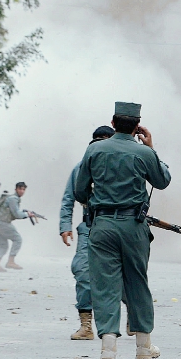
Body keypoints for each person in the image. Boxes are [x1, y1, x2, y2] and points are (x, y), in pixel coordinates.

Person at [73, 102, 171, 359]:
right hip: (134, 226)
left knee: (105, 285)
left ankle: (108, 351)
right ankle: (143, 348)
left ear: (113, 123)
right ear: (137, 126)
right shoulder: (143, 153)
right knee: (138, 282)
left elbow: (80, 190)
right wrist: (151, 147)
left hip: (102, 225)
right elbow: (162, 181)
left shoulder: (94, 149)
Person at [60, 126, 115, 340]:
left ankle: (135, 319)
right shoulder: (82, 167)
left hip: (116, 225)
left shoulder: (123, 165)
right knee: (82, 270)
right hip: (90, 225)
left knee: (123, 274)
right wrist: (65, 225)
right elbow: (69, 198)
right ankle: (86, 325)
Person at [0, 182, 30, 272]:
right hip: (2, 223)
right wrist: (27, 214)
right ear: (16, 189)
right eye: (20, 189)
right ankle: (11, 261)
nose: (22, 191)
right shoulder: (13, 199)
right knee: (17, 239)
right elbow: (16, 214)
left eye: (24, 189)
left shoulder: (10, 198)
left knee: (3, 245)